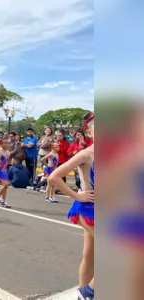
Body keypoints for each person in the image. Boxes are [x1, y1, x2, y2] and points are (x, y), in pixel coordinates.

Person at [48, 112, 95, 299]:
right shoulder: (86, 154)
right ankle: (88, 292)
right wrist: (77, 195)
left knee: (89, 255)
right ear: (90, 132)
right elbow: (54, 177)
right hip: (88, 209)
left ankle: (83, 294)